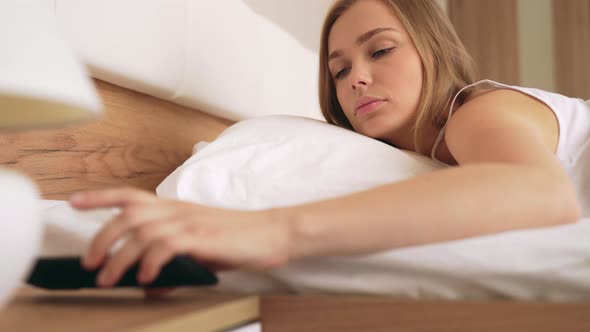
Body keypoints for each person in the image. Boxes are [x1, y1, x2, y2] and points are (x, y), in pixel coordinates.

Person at [69, 0, 584, 294]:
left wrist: (272, 230)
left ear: (434, 52)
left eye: (380, 50)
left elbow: (538, 192)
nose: (357, 77)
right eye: (339, 70)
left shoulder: (478, 110)